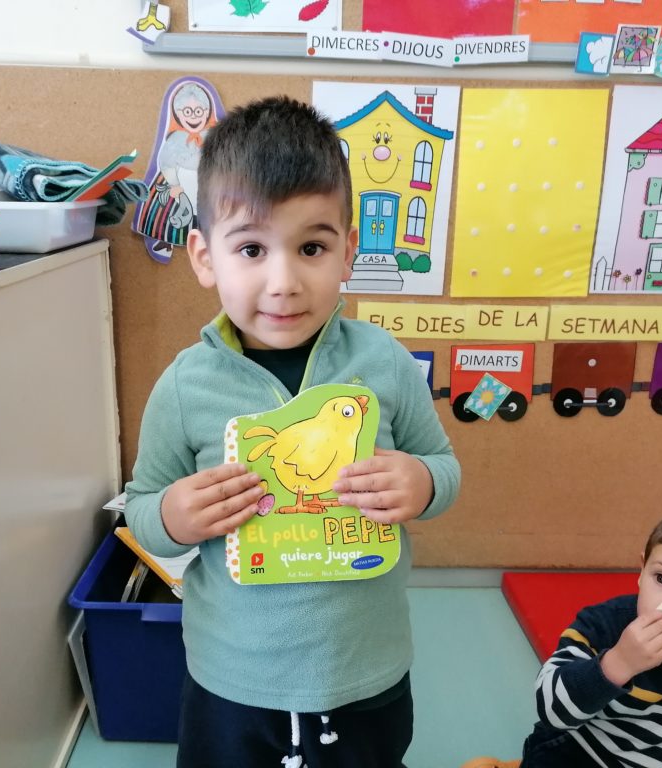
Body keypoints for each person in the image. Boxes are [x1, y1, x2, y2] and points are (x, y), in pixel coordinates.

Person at [125, 96, 461, 768]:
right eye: (251, 248)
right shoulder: (186, 386)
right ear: (205, 257)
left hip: (365, 673)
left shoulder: (385, 363)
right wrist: (173, 516)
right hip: (232, 681)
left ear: (348, 252)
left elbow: (443, 465)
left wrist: (421, 483)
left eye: (312, 247)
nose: (283, 283)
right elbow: (141, 509)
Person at [464, 505, 662, 768]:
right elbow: (551, 711)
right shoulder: (604, 625)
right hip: (576, 756)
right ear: (642, 571)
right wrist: (618, 664)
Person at [135, 78, 220, 262]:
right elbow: (166, 163)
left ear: (207, 112)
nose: (194, 117)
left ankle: (210, 245)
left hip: (207, 185)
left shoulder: (214, 138)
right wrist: (174, 184)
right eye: (187, 111)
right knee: (169, 213)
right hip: (179, 181)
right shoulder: (175, 140)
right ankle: (166, 241)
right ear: (177, 113)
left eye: (199, 111)